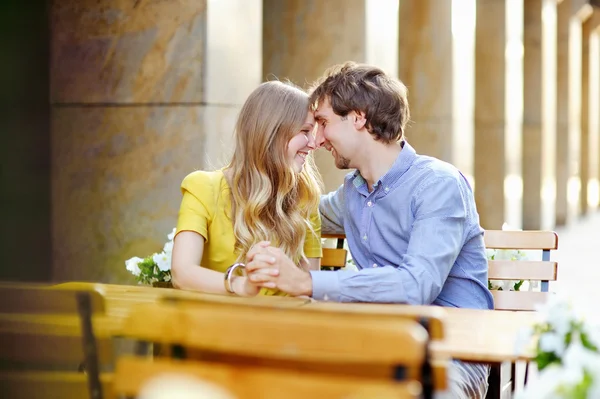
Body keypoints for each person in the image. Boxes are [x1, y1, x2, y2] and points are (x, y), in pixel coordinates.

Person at [245, 62, 494, 398]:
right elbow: (294, 214)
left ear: (358, 118)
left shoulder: (438, 185)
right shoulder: (353, 194)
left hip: (453, 352)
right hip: (384, 342)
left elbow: (414, 285)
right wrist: (272, 162)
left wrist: (306, 282)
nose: (316, 139)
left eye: (322, 123)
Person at [171, 80, 323, 297]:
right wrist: (242, 286)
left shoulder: (305, 197)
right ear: (272, 133)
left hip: (282, 325)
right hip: (217, 324)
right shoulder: (203, 187)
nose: (313, 143)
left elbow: (308, 289)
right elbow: (182, 273)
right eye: (305, 131)